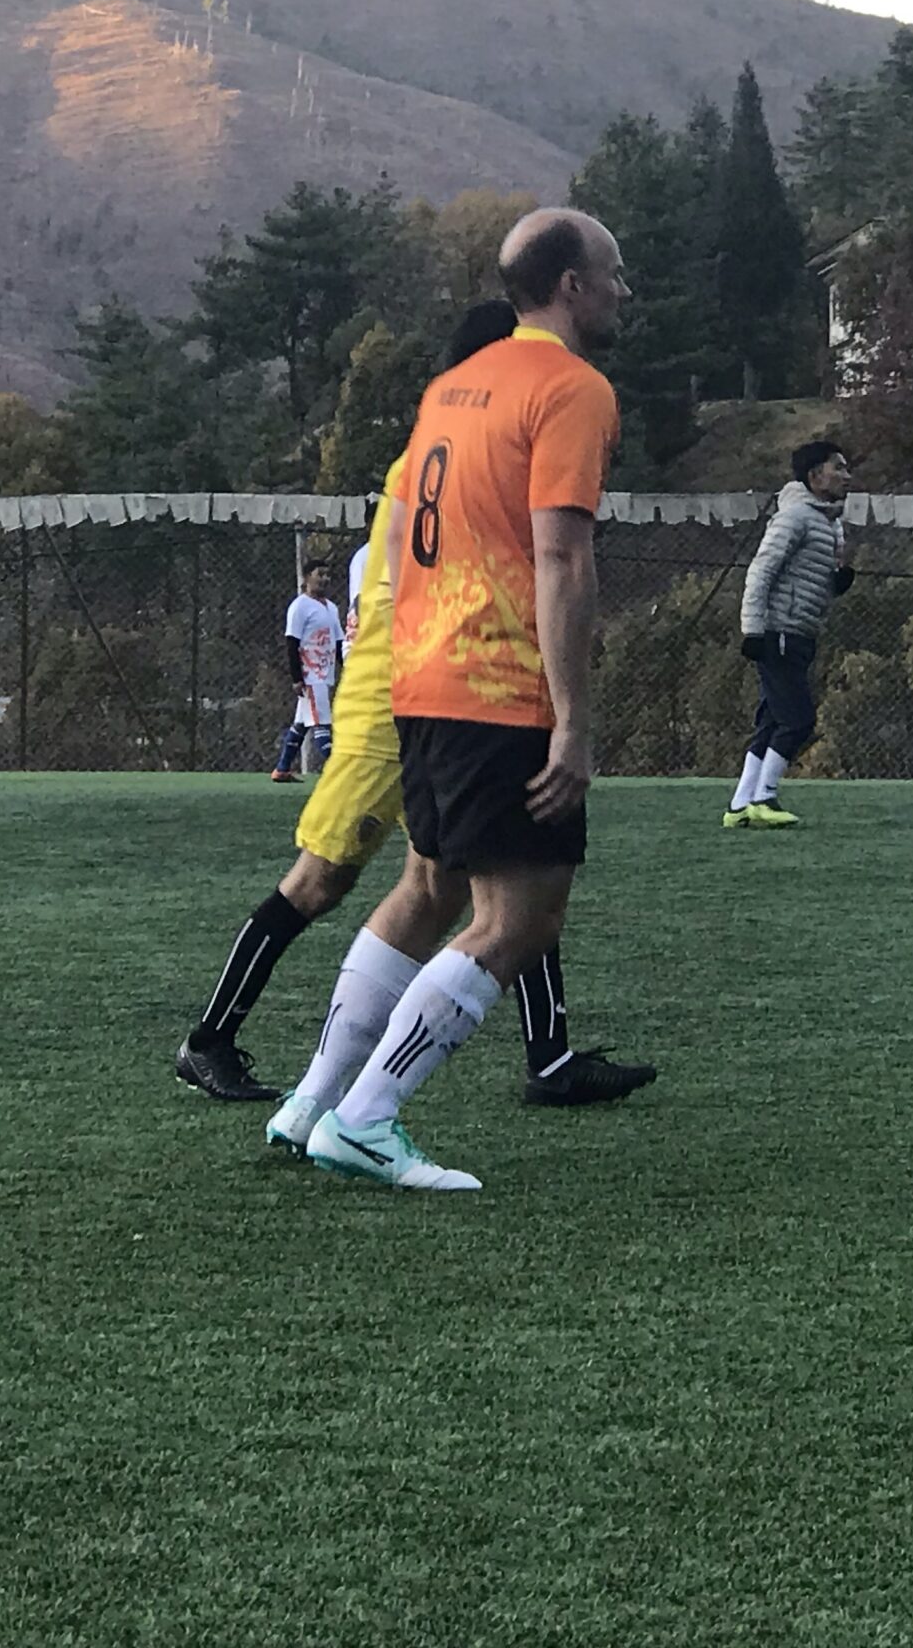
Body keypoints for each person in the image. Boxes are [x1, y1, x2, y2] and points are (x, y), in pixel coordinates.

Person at [176, 300, 654, 1116]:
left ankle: (546, 1054)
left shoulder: (447, 440)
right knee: (324, 882)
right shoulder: (444, 454)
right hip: (401, 697)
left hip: (429, 688)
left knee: (498, 878)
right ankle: (219, 1040)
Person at [297, 208, 628, 1191]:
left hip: (422, 677)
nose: (621, 291)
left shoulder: (451, 385)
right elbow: (562, 556)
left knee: (429, 889)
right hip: (498, 687)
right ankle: (366, 1116)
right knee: (519, 919)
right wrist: (571, 719)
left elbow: (401, 542)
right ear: (568, 286)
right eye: (611, 273)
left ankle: (312, 1100)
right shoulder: (571, 387)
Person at [725, 440, 853, 828]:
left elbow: (809, 578)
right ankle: (765, 797)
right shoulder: (796, 516)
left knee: (771, 722)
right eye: (839, 468)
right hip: (779, 632)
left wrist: (837, 583)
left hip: (800, 632)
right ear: (815, 476)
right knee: (798, 720)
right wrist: (753, 630)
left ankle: (739, 805)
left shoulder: (828, 521)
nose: (847, 476)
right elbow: (762, 570)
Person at [270, 562, 344, 783]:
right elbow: (292, 643)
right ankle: (338, 772)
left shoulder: (331, 607)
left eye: (328, 574)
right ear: (306, 578)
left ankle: (282, 770)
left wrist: (348, 667)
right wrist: (297, 677)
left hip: (325, 673)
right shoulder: (300, 606)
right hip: (311, 676)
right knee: (321, 723)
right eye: (319, 574)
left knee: (301, 724)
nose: (325, 579)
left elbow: (338, 642)